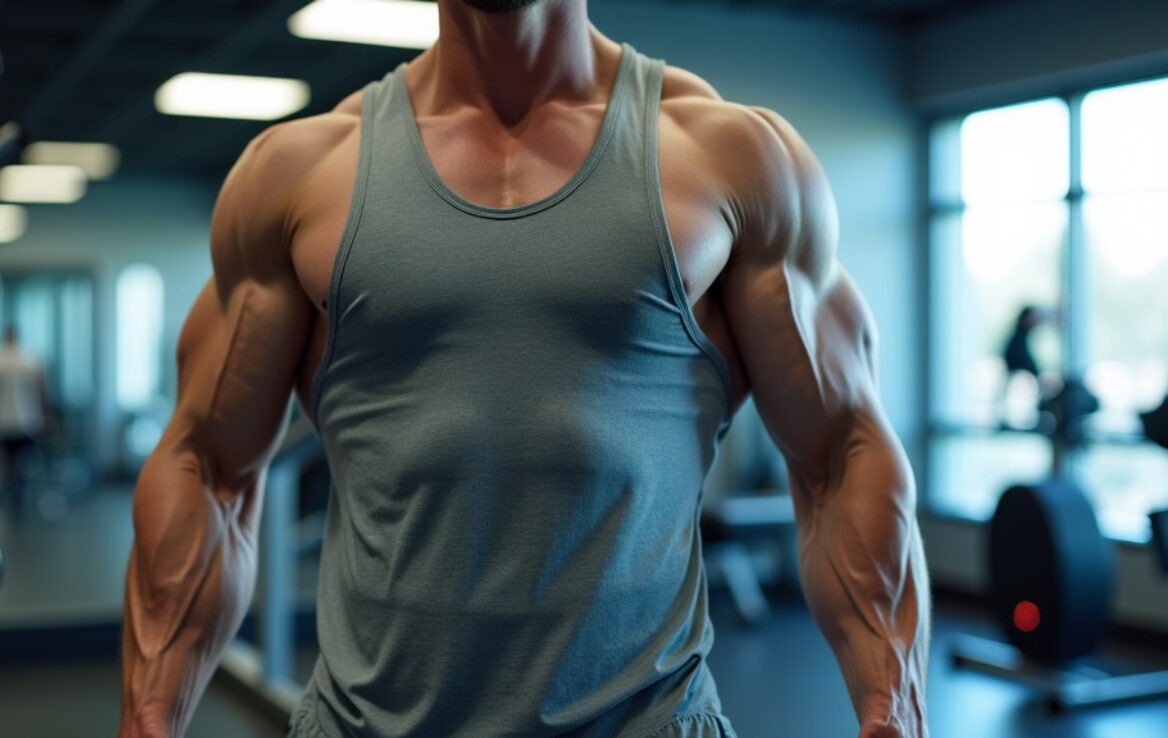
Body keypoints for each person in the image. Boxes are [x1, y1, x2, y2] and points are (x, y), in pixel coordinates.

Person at [118, 2, 930, 737]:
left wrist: (895, 707)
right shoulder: (298, 174)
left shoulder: (730, 157)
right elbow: (210, 468)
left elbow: (839, 454)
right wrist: (150, 715)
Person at [0, 325, 46, 516]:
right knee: (22, 459)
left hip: (2, 419)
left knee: (7, 460)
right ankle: (19, 491)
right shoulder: (28, 359)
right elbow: (40, 388)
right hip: (26, 419)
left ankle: (11, 491)